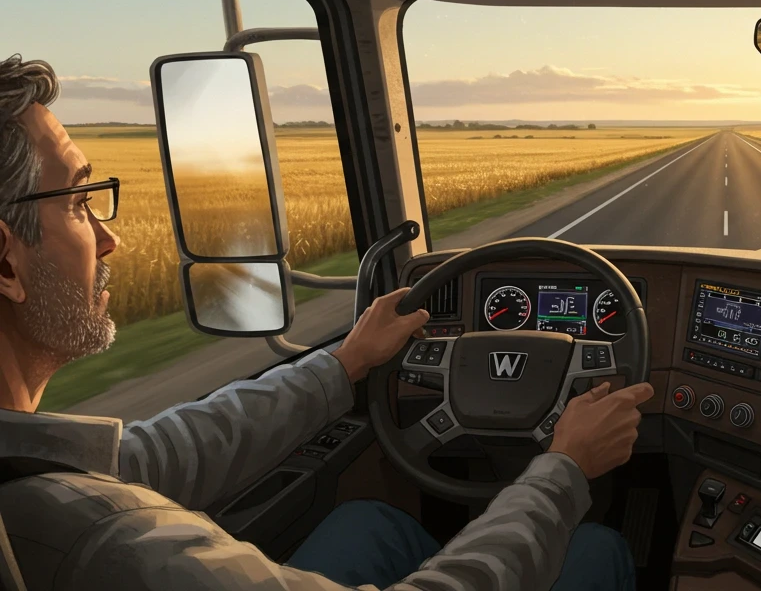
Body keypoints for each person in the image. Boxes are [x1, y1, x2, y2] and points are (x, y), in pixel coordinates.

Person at [0, 53, 653, 590]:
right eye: (81, 201)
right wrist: (564, 467)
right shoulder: (102, 538)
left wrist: (343, 364)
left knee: (371, 522)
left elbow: (149, 457)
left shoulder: (35, 461)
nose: (109, 239)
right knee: (594, 547)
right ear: (6, 260)